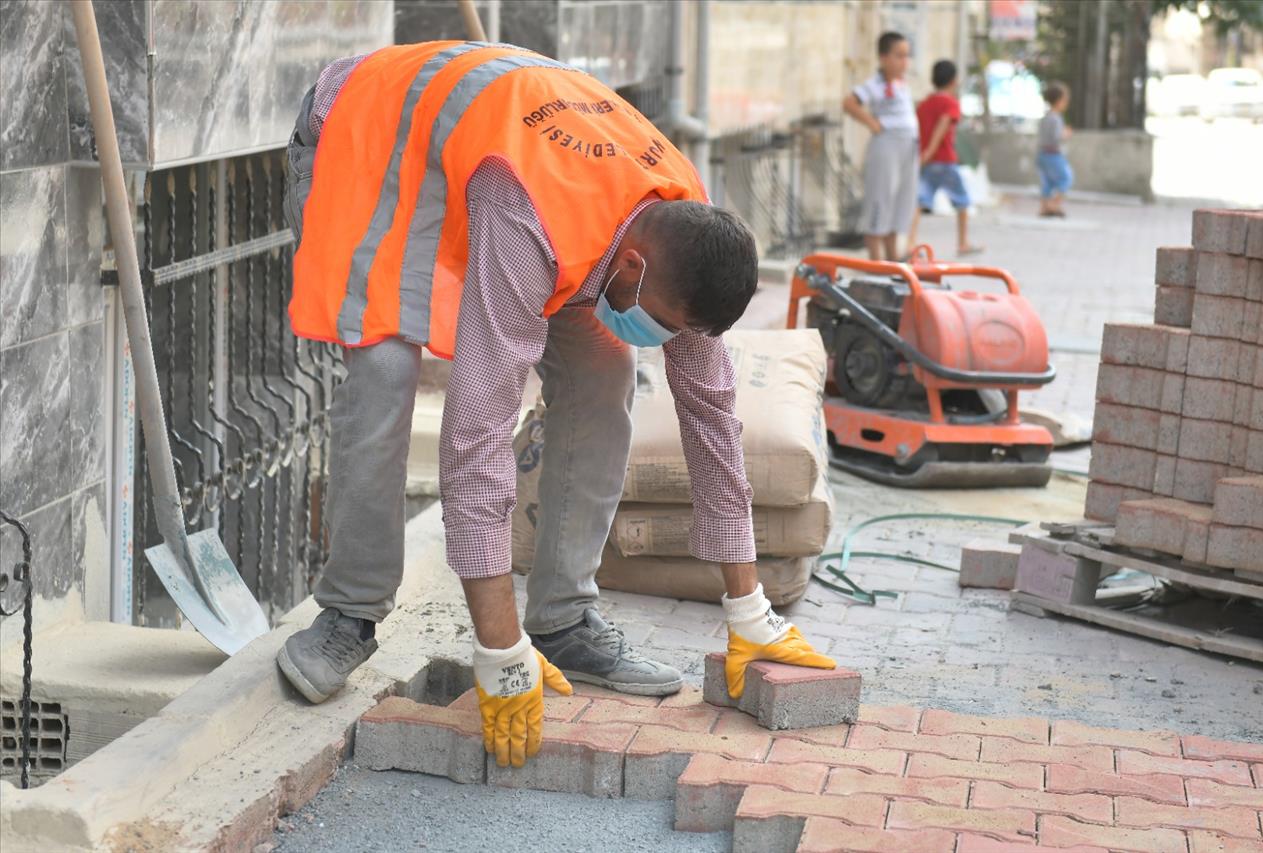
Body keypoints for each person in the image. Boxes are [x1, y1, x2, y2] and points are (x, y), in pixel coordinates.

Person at [276, 42, 834, 770]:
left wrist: (749, 610)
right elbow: (476, 429)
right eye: (665, 318)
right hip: (366, 138)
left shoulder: (679, 220)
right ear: (631, 267)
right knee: (384, 368)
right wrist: (498, 650)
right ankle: (349, 610)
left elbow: (713, 416)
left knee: (605, 374)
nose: (665, 336)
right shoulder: (526, 211)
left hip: (506, 161)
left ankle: (565, 616)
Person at [843, 31, 918, 261]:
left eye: (907, 56)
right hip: (886, 147)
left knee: (900, 201)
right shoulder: (874, 84)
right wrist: (873, 124)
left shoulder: (902, 84)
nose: (904, 61)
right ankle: (876, 262)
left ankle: (892, 258)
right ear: (884, 57)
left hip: (908, 148)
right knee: (880, 200)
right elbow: (849, 103)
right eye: (899, 55)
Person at [907, 60, 981, 256]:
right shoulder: (950, 103)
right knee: (962, 201)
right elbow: (944, 122)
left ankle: (910, 243)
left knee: (920, 201)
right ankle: (963, 243)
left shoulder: (924, 104)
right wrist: (931, 149)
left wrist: (925, 153)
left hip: (927, 161)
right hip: (945, 158)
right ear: (954, 80)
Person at [1037, 82, 1073, 217]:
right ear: (1059, 101)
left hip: (1042, 154)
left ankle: (1044, 208)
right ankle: (1053, 205)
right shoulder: (1056, 118)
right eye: (1065, 100)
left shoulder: (1045, 117)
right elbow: (1056, 137)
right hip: (1053, 154)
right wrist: (1066, 133)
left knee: (1048, 182)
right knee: (1066, 178)